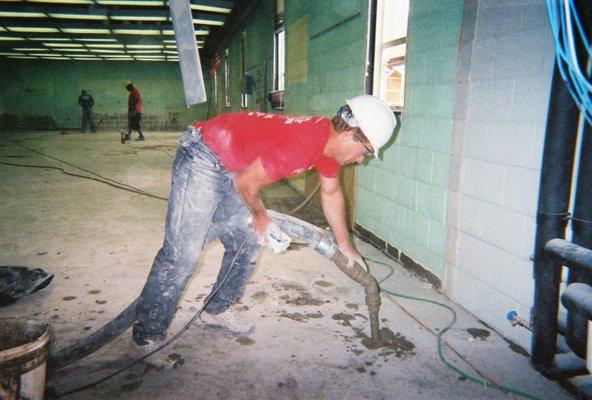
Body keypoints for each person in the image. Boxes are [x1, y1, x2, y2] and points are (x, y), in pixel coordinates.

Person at [131, 95, 397, 349]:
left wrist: (346, 246)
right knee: (184, 253)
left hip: (235, 165)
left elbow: (331, 193)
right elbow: (246, 183)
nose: (361, 160)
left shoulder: (328, 147)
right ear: (351, 134)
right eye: (365, 152)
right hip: (204, 153)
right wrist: (260, 215)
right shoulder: (304, 144)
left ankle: (218, 308)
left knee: (246, 243)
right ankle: (147, 334)